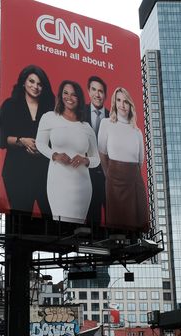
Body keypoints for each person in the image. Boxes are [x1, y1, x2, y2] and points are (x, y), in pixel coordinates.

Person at [36, 80, 100, 224]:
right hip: (58, 182)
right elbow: (40, 143)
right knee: (60, 226)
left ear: (80, 99)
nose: (69, 97)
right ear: (60, 95)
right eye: (65, 93)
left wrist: (85, 160)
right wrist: (55, 155)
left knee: (78, 230)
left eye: (74, 95)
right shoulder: (49, 117)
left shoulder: (86, 127)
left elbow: (96, 158)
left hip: (82, 186)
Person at [0, 65, 54, 216]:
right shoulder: (10, 105)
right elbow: (1, 139)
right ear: (23, 82)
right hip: (17, 172)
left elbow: (58, 141)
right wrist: (22, 141)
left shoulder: (50, 108)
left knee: (53, 226)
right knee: (20, 226)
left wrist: (42, 148)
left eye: (39, 84)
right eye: (31, 81)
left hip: (45, 172)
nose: (35, 86)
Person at [98, 86, 148, 230]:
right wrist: (110, 175)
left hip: (134, 182)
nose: (122, 105)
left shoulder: (137, 132)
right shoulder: (106, 124)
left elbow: (140, 162)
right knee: (116, 227)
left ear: (130, 105)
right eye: (119, 100)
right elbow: (102, 153)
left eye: (126, 101)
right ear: (114, 102)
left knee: (136, 228)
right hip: (114, 181)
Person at [84, 76, 109, 226]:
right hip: (86, 174)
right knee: (92, 220)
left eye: (101, 91)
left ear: (105, 94)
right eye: (94, 90)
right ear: (88, 91)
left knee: (115, 220)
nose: (97, 94)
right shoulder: (79, 113)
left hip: (109, 176)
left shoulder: (114, 117)